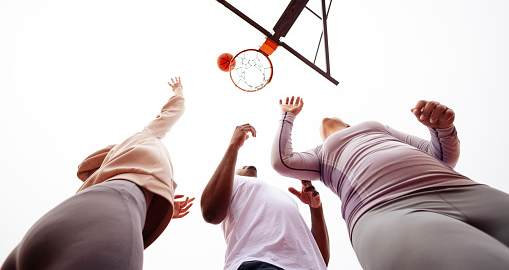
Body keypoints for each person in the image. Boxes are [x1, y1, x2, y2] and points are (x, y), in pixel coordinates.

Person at [271, 96, 509, 270]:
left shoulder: (378, 127)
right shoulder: (318, 155)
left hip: (465, 191)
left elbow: (440, 156)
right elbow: (282, 161)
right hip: (387, 212)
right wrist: (287, 115)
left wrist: (443, 128)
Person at [1, 78, 194, 270]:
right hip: (115, 209)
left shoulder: (109, 167)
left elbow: (86, 168)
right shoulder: (145, 137)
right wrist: (178, 91)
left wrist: (157, 196)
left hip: (53, 226)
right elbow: (172, 113)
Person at [201, 124, 330, 270]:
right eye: (239, 168)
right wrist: (234, 145)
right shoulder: (234, 183)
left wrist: (316, 208)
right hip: (260, 263)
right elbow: (210, 212)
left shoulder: (287, 197)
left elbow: (319, 258)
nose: (244, 165)